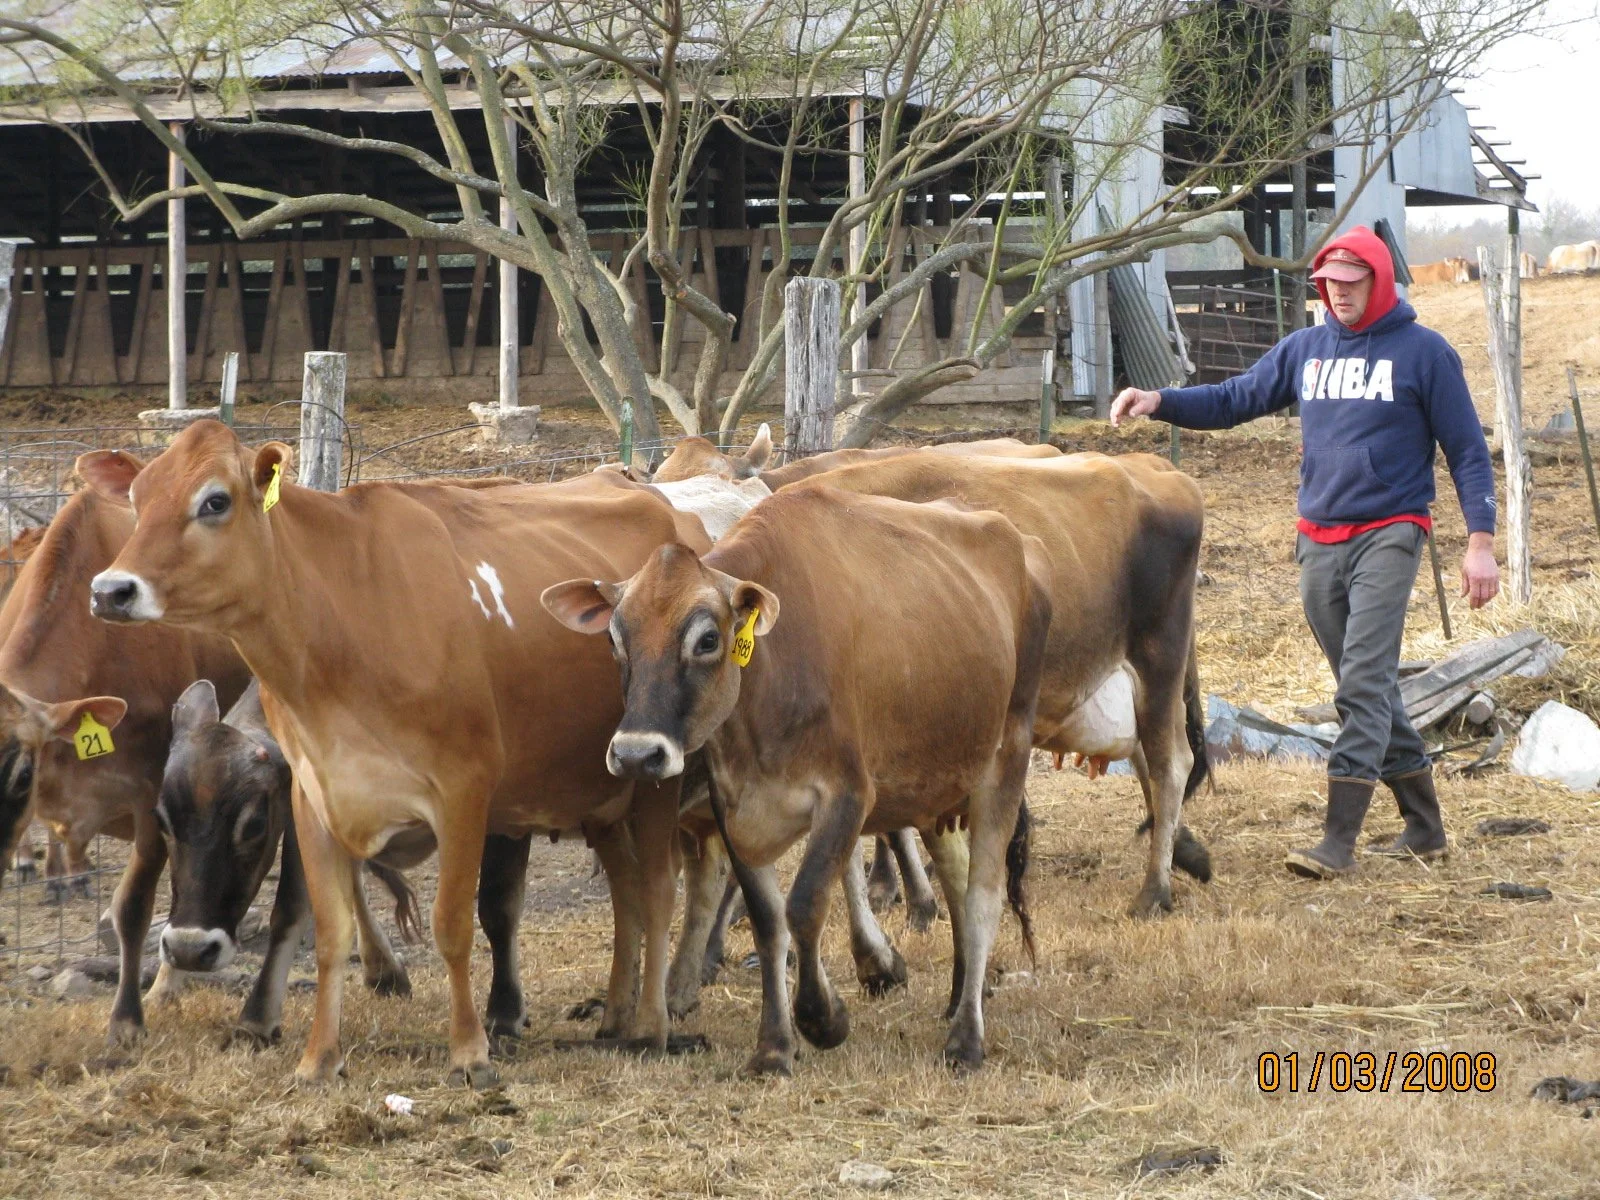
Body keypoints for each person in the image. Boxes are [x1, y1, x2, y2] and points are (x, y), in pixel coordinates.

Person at [1111, 225, 1499, 879]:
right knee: (1365, 686)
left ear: (1378, 282)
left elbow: (1466, 451)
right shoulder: (1306, 350)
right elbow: (1237, 399)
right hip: (1318, 538)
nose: (1339, 296)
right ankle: (1426, 825)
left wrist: (1480, 545)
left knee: (1363, 686)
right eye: (1330, 285)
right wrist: (1160, 401)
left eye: (1352, 284)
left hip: (1391, 532)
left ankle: (1337, 842)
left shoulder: (1425, 354)